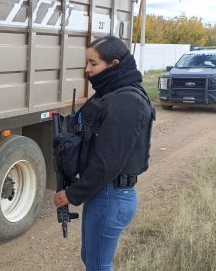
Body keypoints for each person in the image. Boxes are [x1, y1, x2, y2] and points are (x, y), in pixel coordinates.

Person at [54, 36, 155, 271]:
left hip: (112, 196)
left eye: (93, 63)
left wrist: (72, 194)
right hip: (104, 195)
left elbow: (108, 161)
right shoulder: (113, 93)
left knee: (98, 266)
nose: (88, 70)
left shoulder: (126, 101)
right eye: (87, 63)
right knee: (91, 260)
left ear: (115, 64)